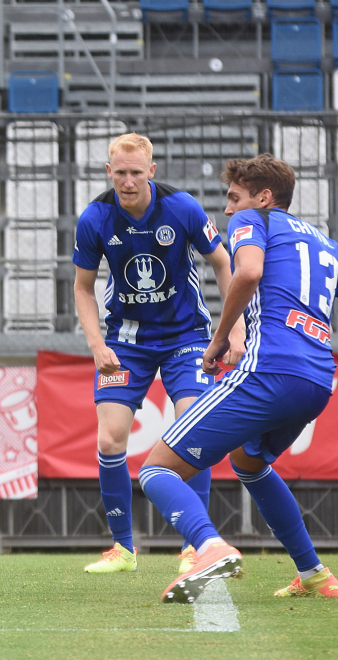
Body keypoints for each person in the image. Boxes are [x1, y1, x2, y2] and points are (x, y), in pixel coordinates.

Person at [137, 154, 338, 604]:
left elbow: (249, 271)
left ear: (263, 197)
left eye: (233, 198)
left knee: (156, 469)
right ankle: (314, 573)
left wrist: (219, 338)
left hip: (268, 370)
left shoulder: (252, 221)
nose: (227, 209)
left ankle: (209, 546)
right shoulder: (327, 245)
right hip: (317, 382)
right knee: (249, 461)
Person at [72, 133, 245, 574]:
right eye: (120, 173)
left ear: (152, 171)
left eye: (136, 172)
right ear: (108, 172)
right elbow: (82, 286)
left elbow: (224, 264)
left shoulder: (182, 207)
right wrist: (97, 344)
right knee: (110, 438)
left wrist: (235, 329)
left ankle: (195, 546)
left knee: (194, 430)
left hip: (186, 336)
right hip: (126, 342)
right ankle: (123, 549)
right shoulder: (94, 218)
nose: (127, 182)